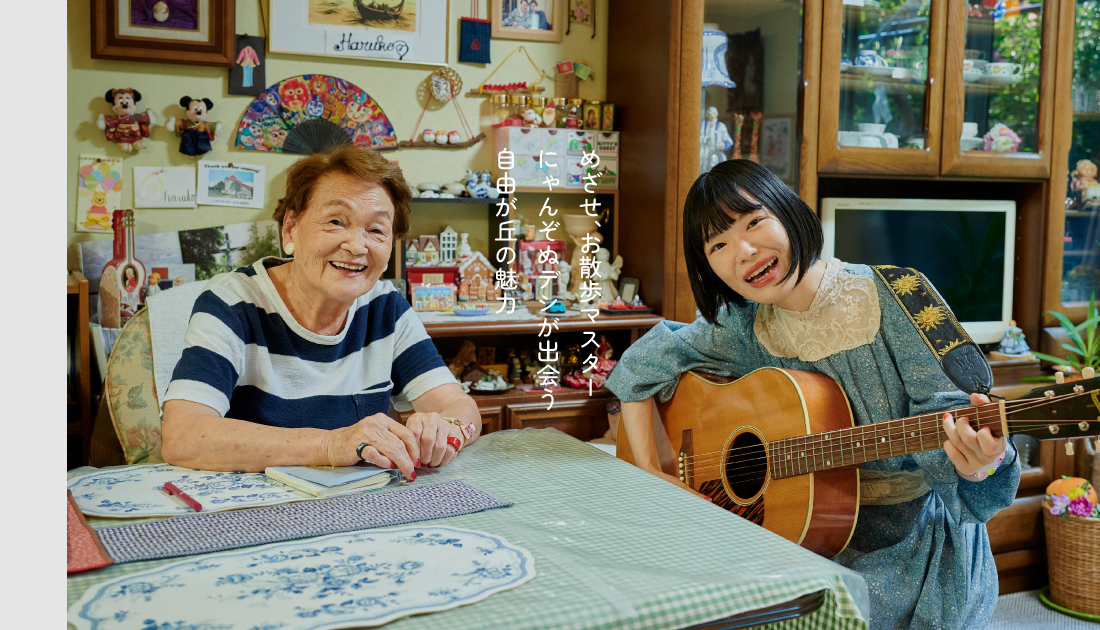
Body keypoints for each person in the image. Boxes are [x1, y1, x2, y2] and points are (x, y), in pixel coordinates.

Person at [606, 160, 1019, 630]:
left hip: (911, 551)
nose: (743, 252)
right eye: (718, 245)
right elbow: (642, 363)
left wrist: (980, 461)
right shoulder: (745, 325)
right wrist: (651, 473)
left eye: (754, 222)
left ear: (788, 210)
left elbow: (957, 427)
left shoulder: (903, 293)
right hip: (796, 536)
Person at [161, 146, 480, 480]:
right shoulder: (233, 302)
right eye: (335, 222)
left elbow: (460, 406)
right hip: (253, 503)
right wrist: (331, 445)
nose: (357, 246)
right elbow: (183, 435)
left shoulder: (386, 306)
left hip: (356, 501)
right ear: (290, 229)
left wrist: (446, 429)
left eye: (376, 230)